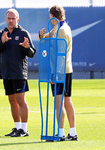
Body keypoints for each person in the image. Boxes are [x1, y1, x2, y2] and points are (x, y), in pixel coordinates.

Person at [0, 8, 36, 137]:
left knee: (21, 100)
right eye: (9, 18)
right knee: (12, 101)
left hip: (19, 73)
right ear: (5, 19)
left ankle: (24, 129)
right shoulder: (1, 33)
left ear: (18, 19)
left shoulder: (23, 33)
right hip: (6, 73)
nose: (11, 21)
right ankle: (17, 128)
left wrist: (27, 47)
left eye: (13, 18)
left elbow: (32, 53)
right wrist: (3, 42)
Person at [39, 5, 78, 141]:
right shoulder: (62, 27)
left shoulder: (61, 30)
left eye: (49, 16)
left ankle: (61, 133)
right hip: (67, 69)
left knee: (59, 102)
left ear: (52, 16)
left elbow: (60, 55)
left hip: (60, 71)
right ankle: (72, 133)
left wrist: (55, 75)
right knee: (67, 101)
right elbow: (44, 39)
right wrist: (41, 35)